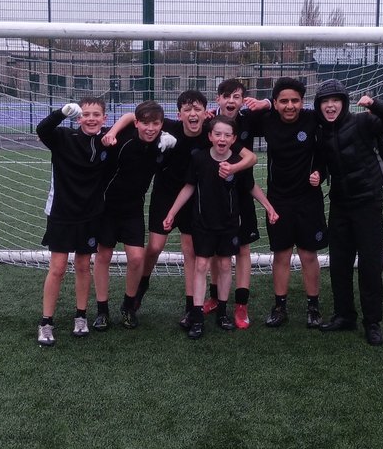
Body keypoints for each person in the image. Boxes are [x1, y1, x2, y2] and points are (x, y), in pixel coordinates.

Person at [111, 90, 255, 325]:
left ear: (205, 112)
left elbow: (250, 157)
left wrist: (233, 168)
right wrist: (113, 132)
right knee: (155, 247)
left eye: (198, 109)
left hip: (193, 198)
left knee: (190, 251)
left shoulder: (211, 131)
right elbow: (130, 116)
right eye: (187, 109)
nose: (193, 113)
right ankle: (139, 291)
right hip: (165, 195)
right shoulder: (168, 126)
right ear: (179, 115)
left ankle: (191, 308)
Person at [162, 115, 278, 339]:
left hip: (229, 224)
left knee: (225, 265)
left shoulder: (237, 162)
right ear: (210, 136)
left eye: (227, 135)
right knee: (201, 265)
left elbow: (251, 187)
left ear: (234, 138)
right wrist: (171, 213)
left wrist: (269, 207)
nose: (222, 138)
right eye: (218, 134)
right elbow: (188, 187)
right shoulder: (199, 159)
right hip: (203, 224)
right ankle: (196, 317)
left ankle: (223, 313)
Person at [313, 79, 383, 347]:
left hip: (368, 203)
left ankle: (372, 322)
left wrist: (375, 104)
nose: (330, 106)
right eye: (324, 102)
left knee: (370, 264)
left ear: (343, 102)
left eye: (335, 100)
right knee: (339, 263)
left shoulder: (364, 122)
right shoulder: (321, 132)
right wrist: (318, 173)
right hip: (340, 204)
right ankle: (344, 315)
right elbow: (321, 162)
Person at [244, 77, 327, 328]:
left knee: (308, 254)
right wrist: (264, 104)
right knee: (281, 254)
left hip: (308, 200)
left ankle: (313, 307)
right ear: (276, 103)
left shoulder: (313, 119)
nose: (290, 106)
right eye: (283, 101)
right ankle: (280, 307)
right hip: (278, 199)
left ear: (302, 102)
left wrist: (319, 173)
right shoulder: (266, 120)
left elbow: (324, 153)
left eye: (295, 100)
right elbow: (239, 120)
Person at [34, 96, 110, 347]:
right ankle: (46, 322)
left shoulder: (108, 140)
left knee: (82, 266)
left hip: (91, 215)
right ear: (79, 118)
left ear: (104, 118)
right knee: (57, 268)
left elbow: (138, 124)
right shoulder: (63, 137)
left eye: (96, 114)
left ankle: (81, 316)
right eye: (86, 114)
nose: (91, 119)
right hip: (61, 213)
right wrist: (61, 112)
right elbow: (42, 129)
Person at [93, 100, 175, 330]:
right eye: (145, 123)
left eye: (156, 124)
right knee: (103, 256)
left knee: (137, 258)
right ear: (138, 123)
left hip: (133, 209)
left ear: (161, 124)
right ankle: (102, 311)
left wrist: (170, 142)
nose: (150, 128)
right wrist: (112, 132)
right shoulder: (123, 139)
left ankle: (128, 307)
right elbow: (128, 115)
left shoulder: (163, 143)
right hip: (107, 208)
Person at [203, 78, 264, 328]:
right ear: (218, 99)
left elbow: (281, 113)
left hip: (243, 192)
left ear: (242, 100)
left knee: (244, 250)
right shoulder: (208, 122)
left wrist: (266, 102)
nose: (231, 101)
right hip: (215, 194)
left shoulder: (250, 119)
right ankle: (216, 297)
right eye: (226, 96)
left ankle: (241, 305)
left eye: (236, 96)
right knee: (219, 251)